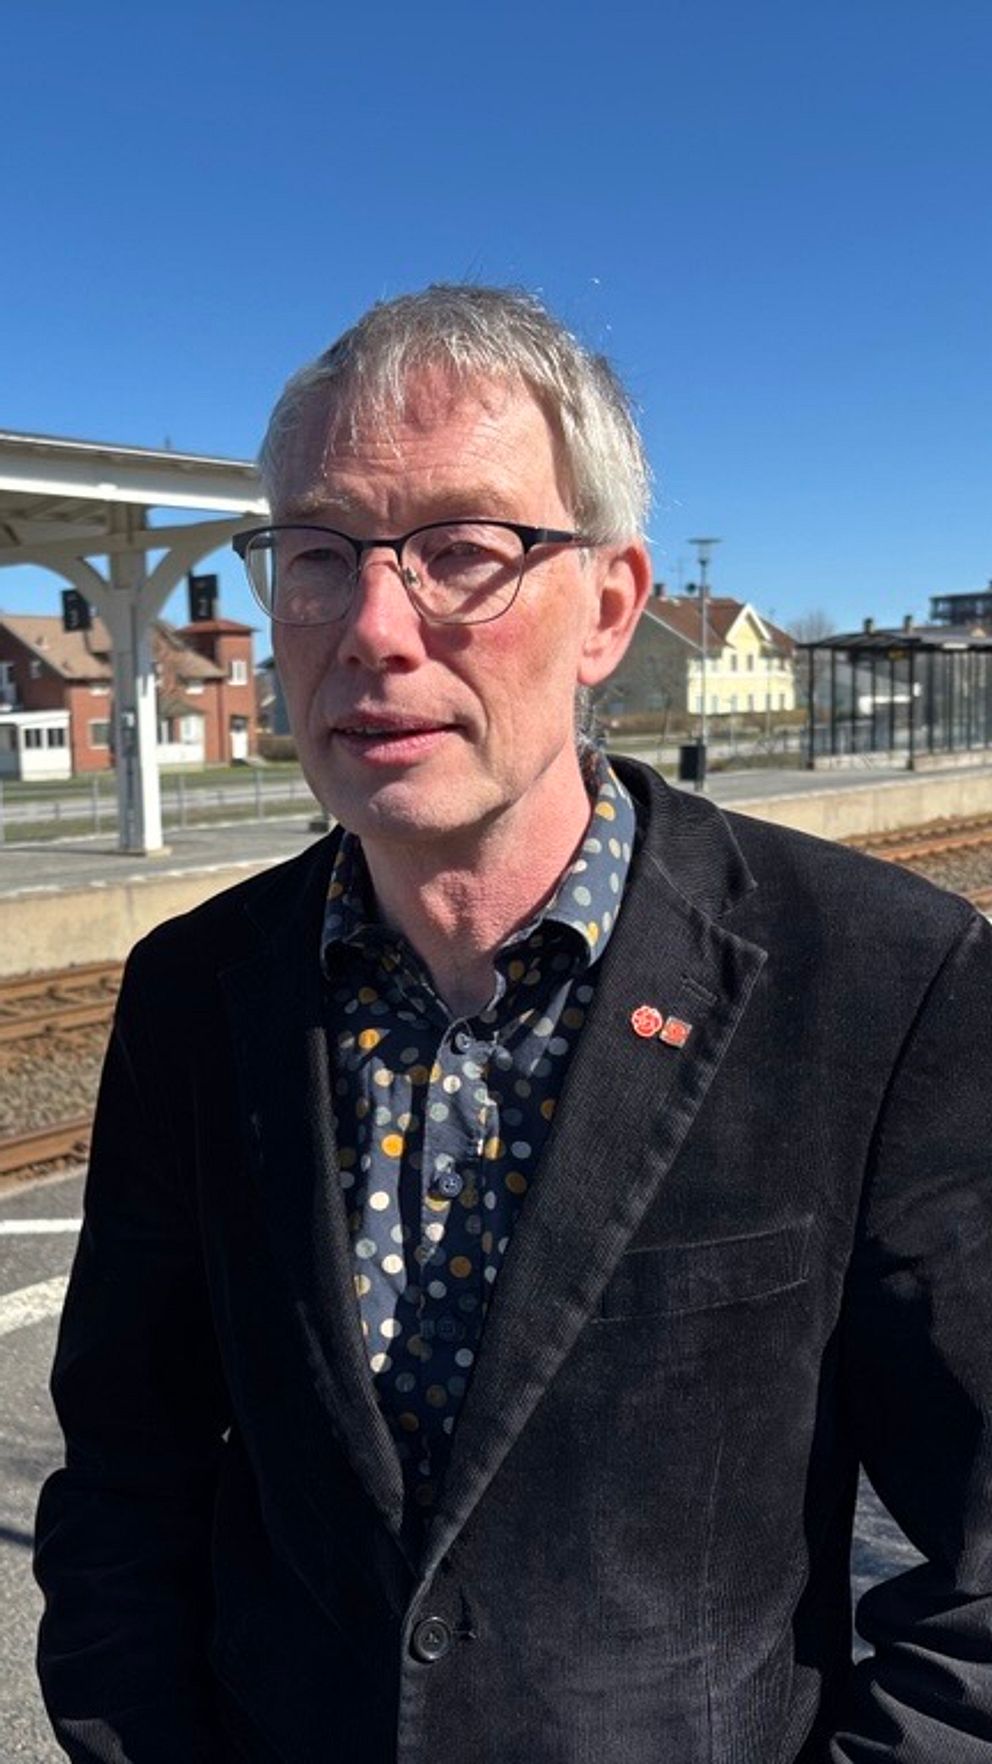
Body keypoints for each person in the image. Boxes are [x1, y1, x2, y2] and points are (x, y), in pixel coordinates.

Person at [35, 284, 992, 1764]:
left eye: (464, 554)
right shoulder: (196, 990)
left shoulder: (877, 983)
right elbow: (125, 1477)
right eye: (318, 556)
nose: (375, 629)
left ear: (608, 608)